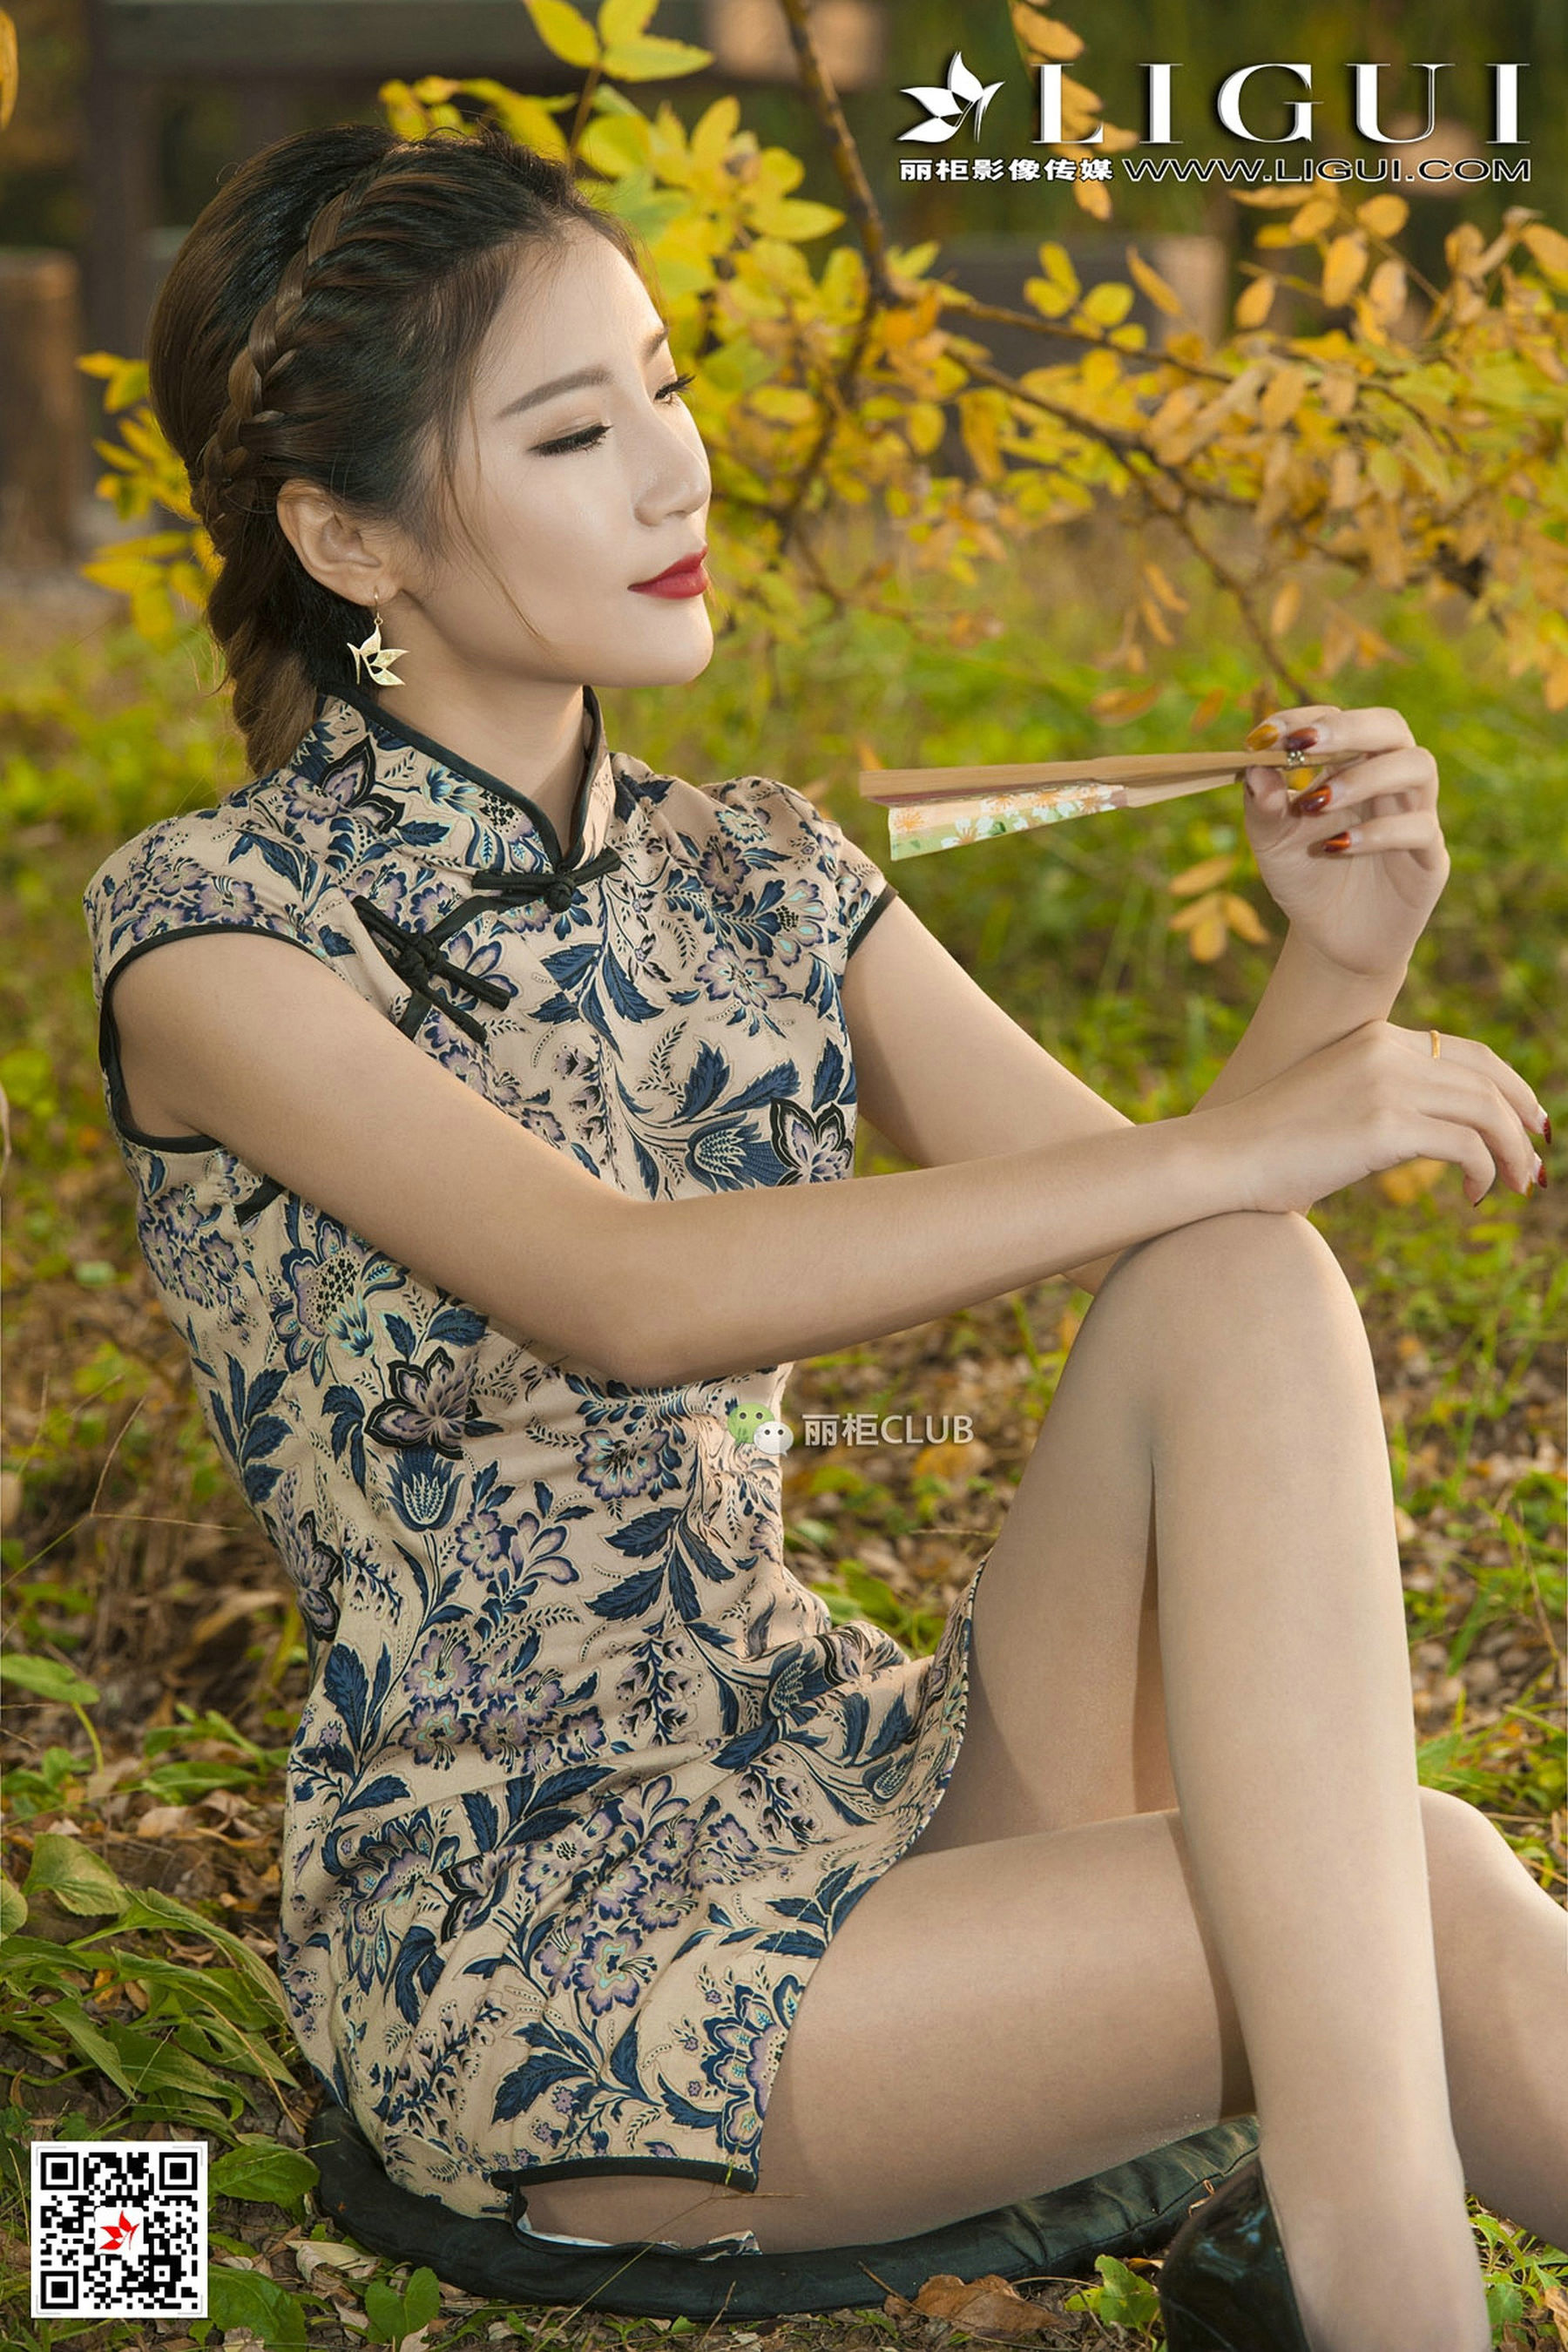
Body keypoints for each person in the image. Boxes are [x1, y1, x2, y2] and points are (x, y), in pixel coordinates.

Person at [82, 118, 1564, 2352]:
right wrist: (1253, 1137)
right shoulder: (218, 937)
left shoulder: (758, 869)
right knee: (1421, 1886)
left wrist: (1339, 966)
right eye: (572, 433)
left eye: (666, 389)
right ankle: (1386, 2293)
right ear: (348, 535)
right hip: (543, 1922)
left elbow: (1175, 1238)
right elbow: (622, 1293)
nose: (676, 473)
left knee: (1241, 1278)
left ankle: (1359, 2280)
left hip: (842, 1764)